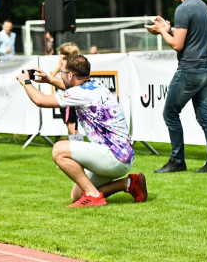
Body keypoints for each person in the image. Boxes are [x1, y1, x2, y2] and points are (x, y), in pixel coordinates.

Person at [19, 55, 147, 207]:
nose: (60, 74)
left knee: (58, 150)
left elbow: (40, 100)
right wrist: (49, 79)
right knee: (77, 195)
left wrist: (25, 82)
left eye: (62, 72)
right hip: (121, 157)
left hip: (113, 157)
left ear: (71, 75)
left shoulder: (81, 93)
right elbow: (69, 87)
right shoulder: (95, 85)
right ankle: (129, 183)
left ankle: (94, 196)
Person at [145, 0, 207, 173]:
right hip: (206, 69)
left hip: (190, 70)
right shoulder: (203, 6)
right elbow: (189, 39)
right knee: (205, 116)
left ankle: (177, 160)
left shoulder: (183, 8)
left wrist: (162, 31)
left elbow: (177, 45)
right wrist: (168, 30)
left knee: (170, 112)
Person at [38, 42, 81, 137]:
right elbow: (50, 79)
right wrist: (59, 66)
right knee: (73, 128)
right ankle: (77, 146)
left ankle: (76, 147)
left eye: (60, 55)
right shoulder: (65, 69)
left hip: (69, 102)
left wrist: (60, 65)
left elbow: (51, 79)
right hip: (66, 101)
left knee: (72, 129)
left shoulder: (69, 70)